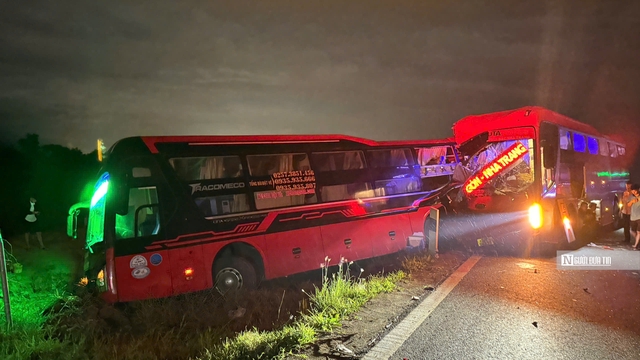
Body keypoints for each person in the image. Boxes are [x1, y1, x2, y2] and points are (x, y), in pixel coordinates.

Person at [627, 184, 640, 250]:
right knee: (631, 231)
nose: (634, 192)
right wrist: (632, 201)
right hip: (633, 217)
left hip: (639, 217)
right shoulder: (631, 197)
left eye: (635, 190)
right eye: (633, 191)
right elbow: (628, 205)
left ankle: (636, 245)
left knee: (639, 232)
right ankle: (638, 241)